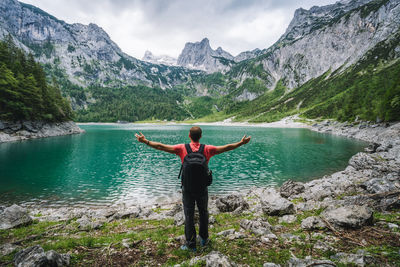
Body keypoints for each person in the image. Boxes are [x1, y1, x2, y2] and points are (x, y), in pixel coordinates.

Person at [135, 126, 251, 251]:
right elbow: (226, 147)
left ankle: (191, 245)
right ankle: (204, 239)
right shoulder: (207, 149)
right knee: (203, 212)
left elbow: (161, 146)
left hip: (187, 188)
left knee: (189, 214)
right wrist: (241, 143)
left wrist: (145, 141)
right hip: (202, 187)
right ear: (200, 136)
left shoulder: (182, 148)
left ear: (189, 136)